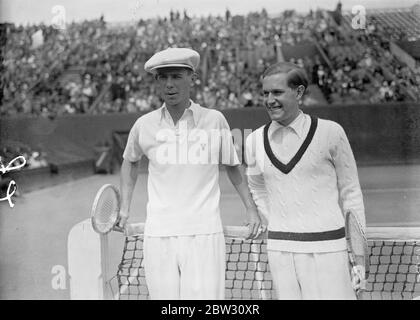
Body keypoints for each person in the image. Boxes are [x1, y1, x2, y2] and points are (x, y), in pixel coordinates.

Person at [116, 48, 263, 300]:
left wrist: (251, 209)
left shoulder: (214, 120)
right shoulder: (143, 124)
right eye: (162, 77)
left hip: (204, 232)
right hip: (158, 232)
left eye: (176, 76)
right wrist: (124, 208)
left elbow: (232, 166)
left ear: (192, 78)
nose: (169, 84)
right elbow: (129, 162)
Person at [245, 62, 366, 300]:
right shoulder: (254, 140)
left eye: (277, 92)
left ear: (299, 92)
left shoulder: (331, 132)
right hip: (280, 251)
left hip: (329, 249)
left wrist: (360, 260)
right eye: (265, 93)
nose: (270, 100)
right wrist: (276, 220)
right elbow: (256, 186)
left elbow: (351, 194)